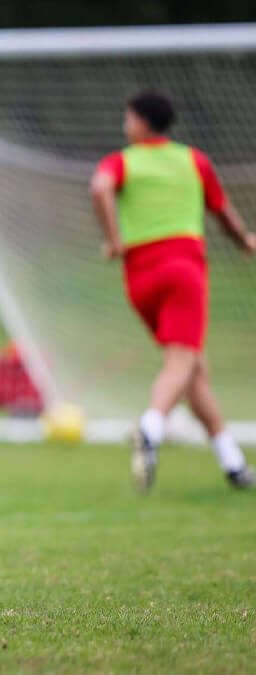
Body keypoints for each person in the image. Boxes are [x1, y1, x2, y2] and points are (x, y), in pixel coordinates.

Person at [90, 90, 255, 492]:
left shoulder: (122, 161)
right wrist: (247, 241)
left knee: (194, 370)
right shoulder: (194, 160)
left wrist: (114, 240)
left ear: (143, 123)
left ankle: (233, 464)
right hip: (183, 272)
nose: (125, 126)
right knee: (182, 363)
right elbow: (224, 214)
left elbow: (100, 188)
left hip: (139, 281)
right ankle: (151, 426)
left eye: (128, 118)